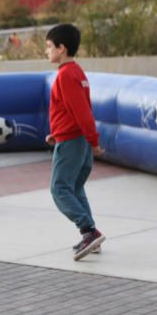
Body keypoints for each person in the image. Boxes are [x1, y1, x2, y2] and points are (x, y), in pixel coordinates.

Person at [44, 23, 106, 260]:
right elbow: (74, 111)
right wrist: (56, 133)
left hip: (72, 142)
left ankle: (88, 231)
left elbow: (82, 112)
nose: (47, 51)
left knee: (59, 189)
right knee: (76, 187)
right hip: (75, 139)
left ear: (61, 48)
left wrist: (94, 141)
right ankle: (92, 237)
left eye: (49, 47)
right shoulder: (78, 72)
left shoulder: (64, 75)